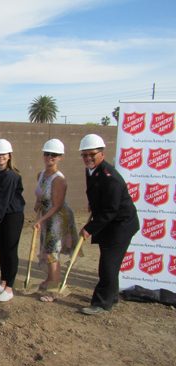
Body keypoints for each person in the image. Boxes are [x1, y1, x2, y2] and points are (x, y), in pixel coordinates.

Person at [78, 134, 139, 315]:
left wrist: (89, 228)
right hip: (110, 223)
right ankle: (112, 296)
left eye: (92, 154)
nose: (88, 158)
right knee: (109, 262)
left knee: (108, 265)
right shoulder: (92, 170)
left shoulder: (110, 177)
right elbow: (97, 194)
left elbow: (110, 211)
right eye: (85, 155)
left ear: (102, 154)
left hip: (121, 225)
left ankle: (102, 303)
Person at [33, 139, 79, 302]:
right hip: (46, 217)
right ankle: (49, 279)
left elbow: (57, 206)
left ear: (60, 157)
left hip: (57, 219)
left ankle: (53, 289)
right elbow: (40, 196)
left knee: (52, 253)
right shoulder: (41, 175)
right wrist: (37, 205)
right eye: (47, 154)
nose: (49, 157)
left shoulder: (59, 180)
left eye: (54, 155)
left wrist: (41, 220)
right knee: (46, 249)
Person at [0, 139, 25, 302]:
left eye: (3, 154)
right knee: (2, 250)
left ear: (9, 156)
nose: (0, 156)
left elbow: (4, 200)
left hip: (11, 217)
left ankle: (9, 288)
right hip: (0, 216)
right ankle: (3, 283)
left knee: (10, 251)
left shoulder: (11, 175)